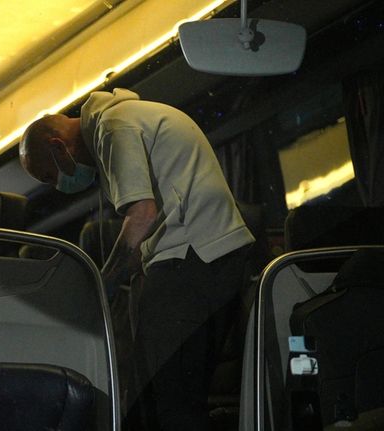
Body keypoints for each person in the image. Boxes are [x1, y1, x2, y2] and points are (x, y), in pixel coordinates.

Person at [19, 88, 254, 430]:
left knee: (171, 404)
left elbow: (142, 215)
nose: (57, 186)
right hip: (208, 257)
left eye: (48, 176)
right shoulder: (128, 119)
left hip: (192, 259)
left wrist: (102, 284)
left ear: (58, 146)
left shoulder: (115, 126)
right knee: (166, 401)